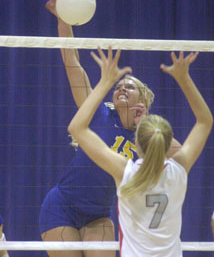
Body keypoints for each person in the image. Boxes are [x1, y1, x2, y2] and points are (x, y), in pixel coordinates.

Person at [39, 0, 181, 257]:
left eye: (130, 86)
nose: (122, 88)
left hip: (98, 215)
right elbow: (72, 64)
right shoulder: (97, 113)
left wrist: (144, 126)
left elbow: (179, 155)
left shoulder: (148, 133)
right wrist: (64, 20)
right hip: (61, 206)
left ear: (144, 101)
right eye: (119, 85)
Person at [68, 48, 213, 256]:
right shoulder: (179, 171)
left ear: (136, 142)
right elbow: (205, 121)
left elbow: (77, 128)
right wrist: (184, 78)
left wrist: (105, 81)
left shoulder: (125, 173)